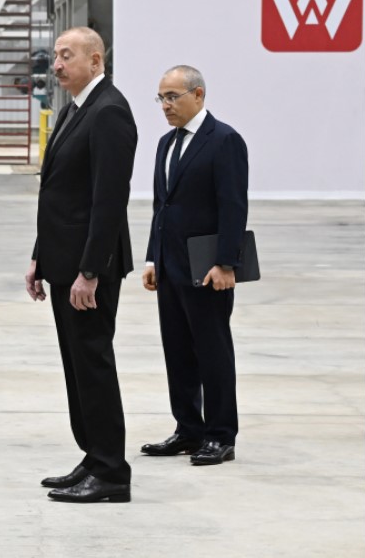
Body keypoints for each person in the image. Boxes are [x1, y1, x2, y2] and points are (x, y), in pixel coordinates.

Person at [25, 27, 138, 503]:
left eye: (66, 56)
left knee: (92, 364)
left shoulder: (109, 111)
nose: (56, 65)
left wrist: (90, 271)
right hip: (63, 262)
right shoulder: (76, 109)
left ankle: (111, 472)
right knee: (76, 366)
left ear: (95, 60)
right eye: (56, 56)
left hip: (88, 270)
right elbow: (61, 193)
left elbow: (107, 201)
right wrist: (40, 255)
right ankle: (94, 457)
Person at [141, 65, 248, 466]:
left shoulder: (224, 140)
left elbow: (233, 206)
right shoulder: (166, 143)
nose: (165, 105)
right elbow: (161, 206)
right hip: (170, 267)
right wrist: (153, 257)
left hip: (207, 269)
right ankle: (188, 429)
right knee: (178, 351)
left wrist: (226, 263)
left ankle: (220, 435)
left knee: (212, 352)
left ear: (198, 95)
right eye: (161, 98)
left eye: (173, 97)